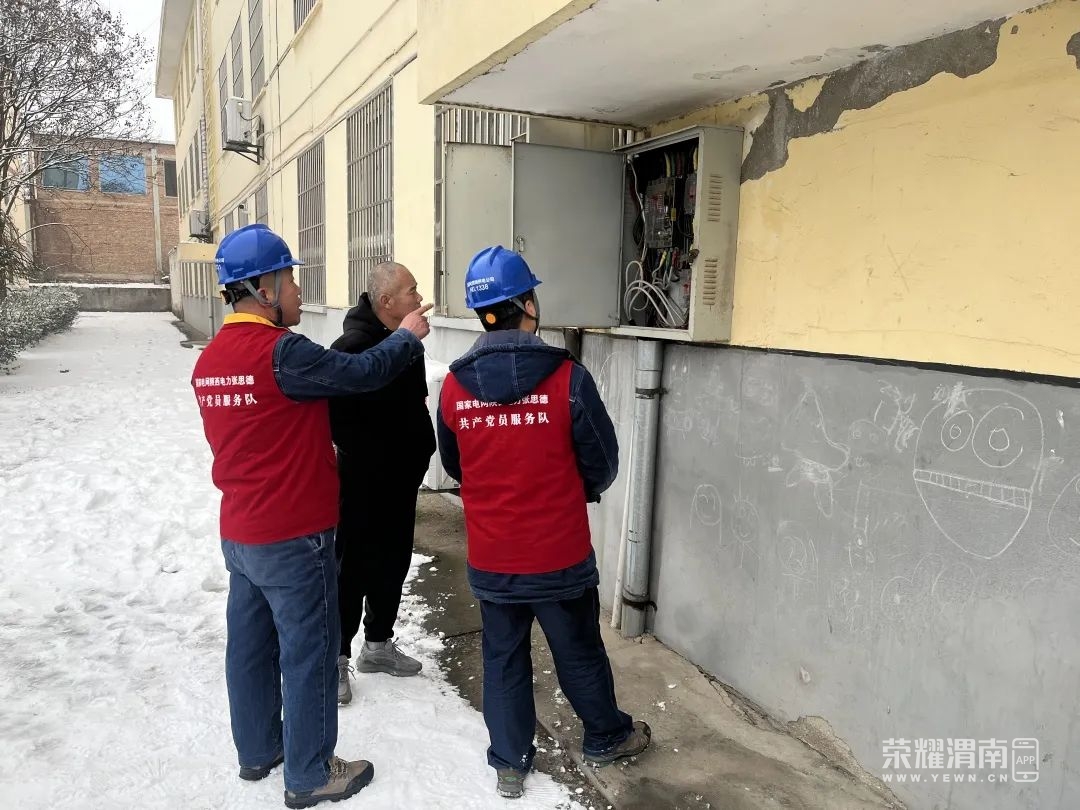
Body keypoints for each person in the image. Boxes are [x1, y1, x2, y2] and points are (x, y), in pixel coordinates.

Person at [190, 223, 432, 809]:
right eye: (291, 280)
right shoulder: (282, 352)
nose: (299, 291)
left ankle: (259, 751)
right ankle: (311, 772)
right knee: (310, 655)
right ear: (263, 288)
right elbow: (361, 375)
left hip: (242, 534)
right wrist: (406, 337)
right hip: (294, 536)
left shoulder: (211, 360)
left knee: (251, 651)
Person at [436, 246, 651, 799]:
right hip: (558, 553)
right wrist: (572, 490)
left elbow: (456, 465)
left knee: (503, 657)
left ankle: (510, 761)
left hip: (493, 555)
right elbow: (602, 460)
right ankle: (606, 736)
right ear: (527, 304)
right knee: (578, 650)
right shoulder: (567, 378)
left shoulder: (455, 387)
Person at [329, 262, 435, 703]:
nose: (419, 297)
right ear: (387, 301)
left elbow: (413, 402)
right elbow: (339, 423)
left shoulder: (407, 341)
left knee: (394, 562)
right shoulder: (352, 346)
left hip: (401, 481)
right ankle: (336, 659)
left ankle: (378, 645)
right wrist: (379, 460)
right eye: (411, 290)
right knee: (351, 570)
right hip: (363, 483)